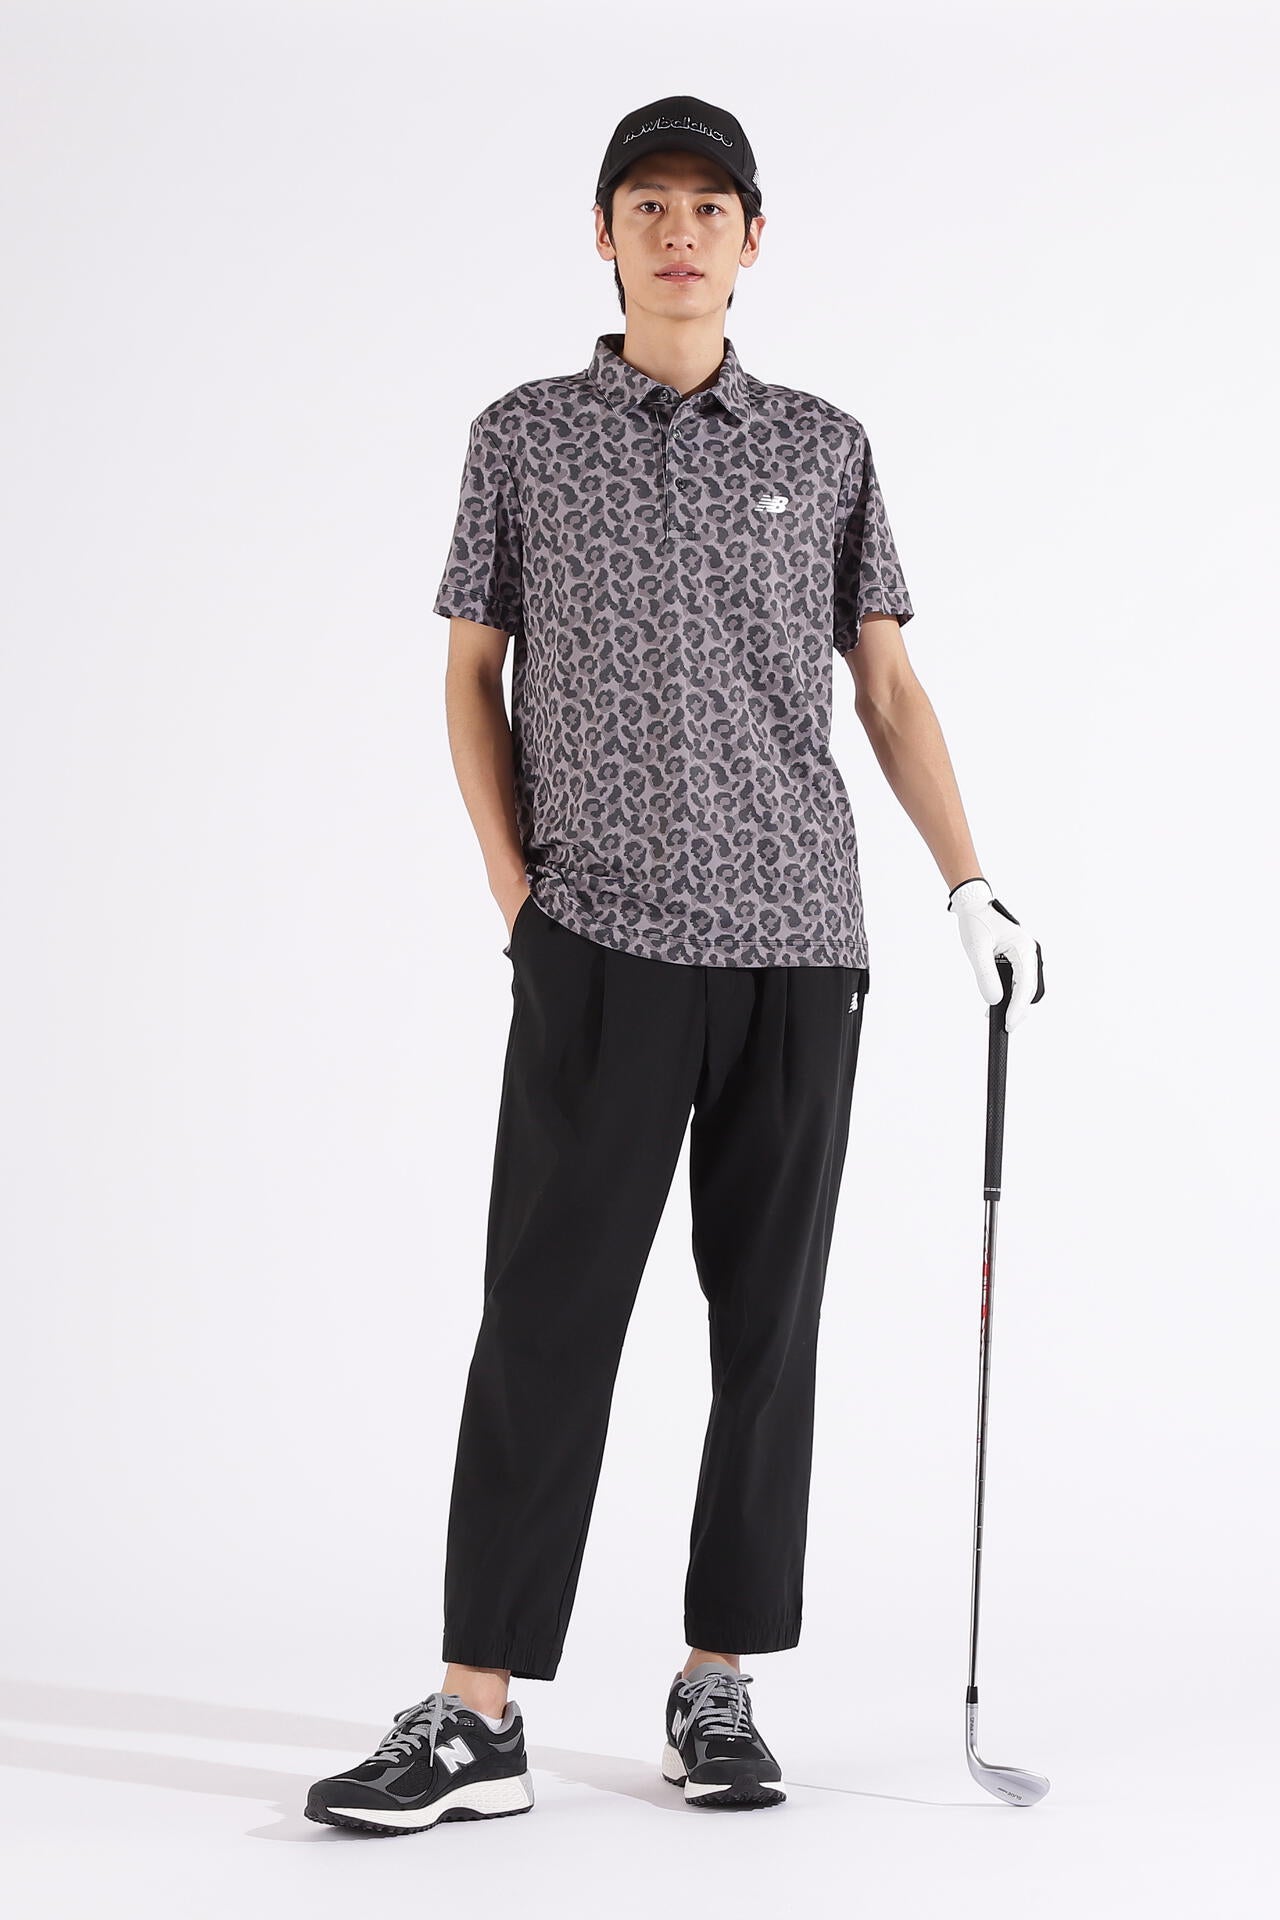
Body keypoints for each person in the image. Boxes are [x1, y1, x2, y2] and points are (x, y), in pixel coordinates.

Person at [306, 93, 1045, 1836]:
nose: (681, 232)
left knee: (766, 1329)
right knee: (545, 1319)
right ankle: (476, 1713)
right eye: (649, 204)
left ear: (753, 240)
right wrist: (518, 895)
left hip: (799, 945)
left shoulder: (827, 444)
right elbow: (469, 673)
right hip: (603, 941)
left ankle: (720, 1683)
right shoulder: (523, 436)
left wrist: (971, 883)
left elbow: (887, 688)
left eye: (711, 207)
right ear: (605, 233)